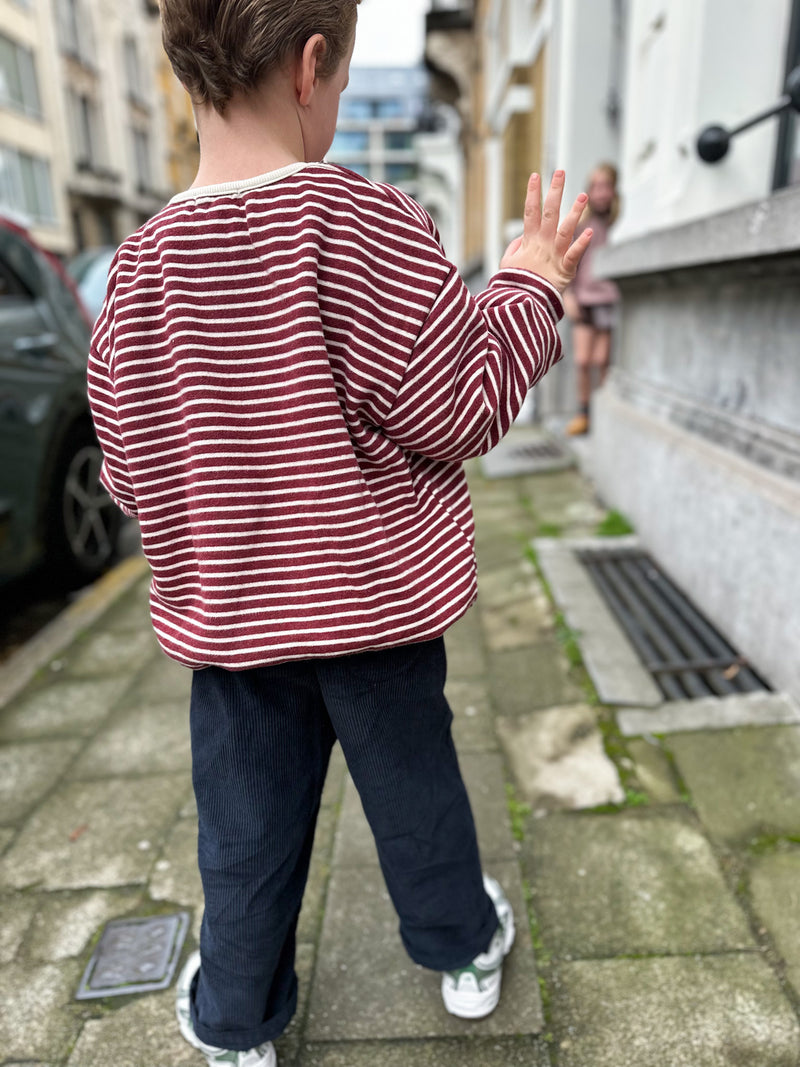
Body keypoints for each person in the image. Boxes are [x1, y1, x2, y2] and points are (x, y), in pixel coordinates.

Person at [86, 3, 592, 1064]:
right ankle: (462, 947)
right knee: (415, 795)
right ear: (310, 66)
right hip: (376, 611)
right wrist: (530, 286)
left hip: (232, 628)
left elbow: (129, 472)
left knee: (245, 831)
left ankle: (234, 1022)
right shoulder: (360, 222)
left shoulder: (135, 275)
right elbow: (460, 404)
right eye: (347, 79)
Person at [563, 162, 620, 435]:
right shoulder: (581, 225)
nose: (600, 192)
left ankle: (604, 413)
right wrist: (568, 294)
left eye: (605, 186)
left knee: (602, 360)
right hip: (583, 298)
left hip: (606, 299)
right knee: (583, 361)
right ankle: (583, 412)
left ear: (614, 190)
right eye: (595, 187)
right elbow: (569, 262)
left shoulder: (616, 224)